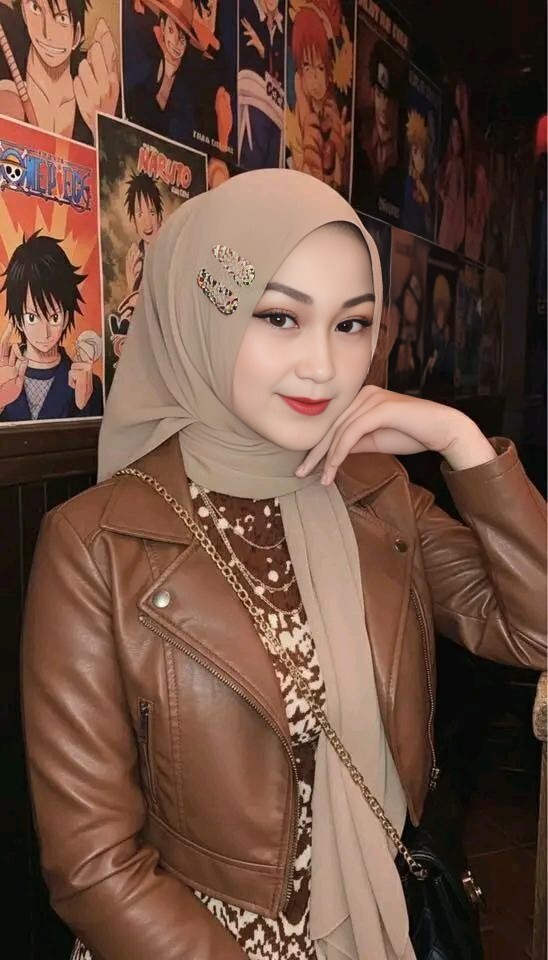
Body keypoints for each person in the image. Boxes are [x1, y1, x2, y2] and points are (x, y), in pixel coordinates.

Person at [22, 169, 546, 960]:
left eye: (351, 324)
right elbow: (95, 867)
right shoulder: (95, 544)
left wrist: (462, 443)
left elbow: (535, 631)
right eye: (278, 317)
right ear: (204, 316)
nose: (324, 366)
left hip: (382, 923)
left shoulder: (375, 494)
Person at [0, 231, 103, 420]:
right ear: (18, 320)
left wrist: (84, 406)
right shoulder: (3, 377)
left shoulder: (89, 384)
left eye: (54, 317)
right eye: (32, 317)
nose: (45, 332)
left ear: (66, 315)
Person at [0, 0, 119, 144]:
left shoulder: (94, 96)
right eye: (36, 8)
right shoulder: (9, 96)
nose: (47, 33)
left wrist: (102, 129)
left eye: (62, 18)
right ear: (24, 12)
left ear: (77, 34)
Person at [287, 0, 352, 192]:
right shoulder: (295, 119)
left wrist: (338, 154)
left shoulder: (335, 117)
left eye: (321, 67)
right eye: (307, 67)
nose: (315, 78)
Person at [108, 172, 165, 361]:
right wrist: (131, 286)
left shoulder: (170, 254)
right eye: (140, 214)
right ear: (133, 220)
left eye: (152, 212)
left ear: (160, 216)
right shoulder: (134, 258)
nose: (147, 222)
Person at [436, 108, 466, 252]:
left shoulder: (459, 164)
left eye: (459, 133)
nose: (457, 137)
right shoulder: (451, 163)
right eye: (454, 133)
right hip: (448, 217)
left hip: (454, 219)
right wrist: (445, 197)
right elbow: (440, 186)